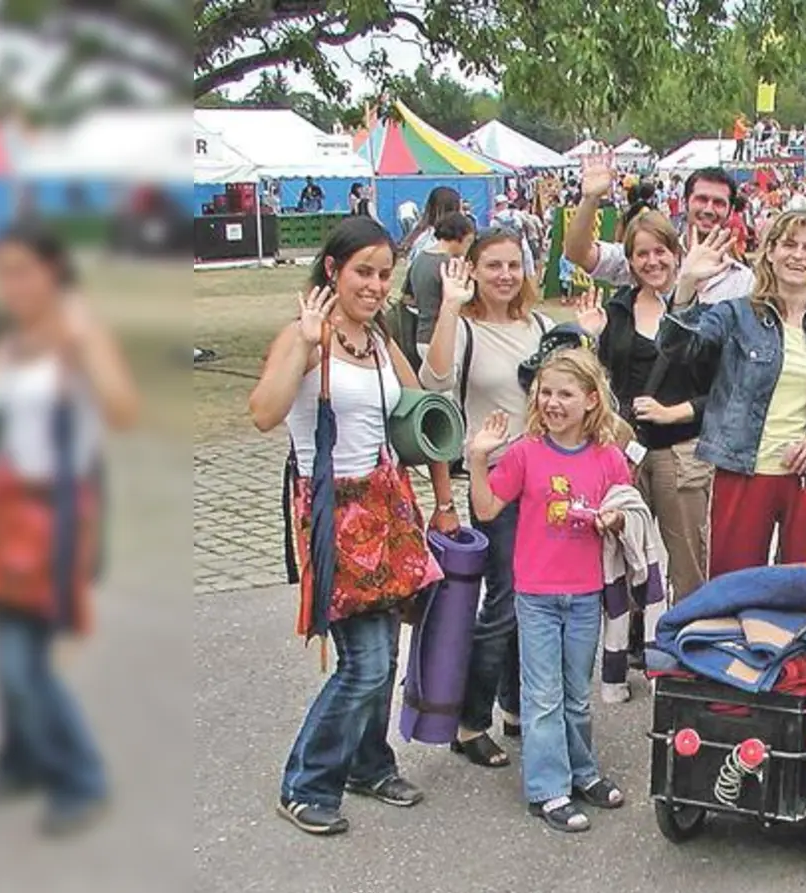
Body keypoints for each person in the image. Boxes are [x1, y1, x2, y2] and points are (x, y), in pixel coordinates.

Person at [249, 218, 458, 836]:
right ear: (333, 271)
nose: (374, 285)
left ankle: (369, 764)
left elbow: (426, 411)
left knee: (383, 654)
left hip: (387, 506)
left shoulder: (379, 339)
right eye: (363, 272)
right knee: (363, 664)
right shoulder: (305, 336)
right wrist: (305, 343)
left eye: (384, 274)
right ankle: (306, 783)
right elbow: (263, 414)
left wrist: (445, 500)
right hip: (333, 512)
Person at [0, 227, 137, 836]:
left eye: (22, 271)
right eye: (2, 272)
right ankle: (21, 759)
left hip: (53, 517)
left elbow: (122, 411)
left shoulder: (78, 336)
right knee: (8, 647)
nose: (10, 285)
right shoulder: (5, 344)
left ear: (53, 273)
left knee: (19, 659)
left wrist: (83, 345)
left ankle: (81, 776)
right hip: (0, 512)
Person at [465, 349, 632, 833]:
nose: (553, 402)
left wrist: (614, 518)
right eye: (546, 392)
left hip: (585, 594)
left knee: (576, 694)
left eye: (566, 394)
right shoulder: (524, 452)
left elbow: (627, 510)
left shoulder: (608, 458)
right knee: (542, 697)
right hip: (536, 595)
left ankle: (582, 771)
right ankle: (548, 788)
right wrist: (478, 459)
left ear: (591, 400)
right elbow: (487, 509)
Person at [656, 210, 806, 574]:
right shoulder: (737, 316)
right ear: (770, 252)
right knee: (735, 586)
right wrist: (686, 284)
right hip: (744, 471)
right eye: (788, 244)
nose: (798, 255)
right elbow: (679, 350)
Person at [419, 230, 556, 771]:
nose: (505, 275)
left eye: (513, 265)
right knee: (503, 600)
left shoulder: (539, 326)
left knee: (533, 597)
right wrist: (450, 308)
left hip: (544, 477)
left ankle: (516, 705)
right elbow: (434, 379)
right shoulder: (466, 329)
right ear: (472, 270)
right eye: (493, 265)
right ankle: (469, 721)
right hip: (495, 478)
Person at [563, 209, 716, 607]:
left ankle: (687, 629)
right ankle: (629, 633)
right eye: (642, 254)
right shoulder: (616, 310)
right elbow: (596, 383)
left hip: (681, 451)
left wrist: (674, 412)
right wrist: (591, 338)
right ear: (629, 261)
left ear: (676, 254)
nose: (652, 262)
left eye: (660, 251)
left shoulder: (703, 314)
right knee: (624, 551)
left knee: (687, 557)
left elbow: (721, 392)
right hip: (625, 452)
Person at [566, 153, 753, 305]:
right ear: (684, 203)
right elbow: (579, 254)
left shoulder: (743, 281)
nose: (709, 209)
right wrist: (590, 199)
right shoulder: (653, 256)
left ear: (730, 212)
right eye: (701, 199)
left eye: (719, 203)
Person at [406, 212, 476, 363]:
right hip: (443, 337)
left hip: (421, 335)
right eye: (468, 241)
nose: (468, 247)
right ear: (459, 237)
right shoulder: (450, 264)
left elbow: (408, 295)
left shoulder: (420, 258)